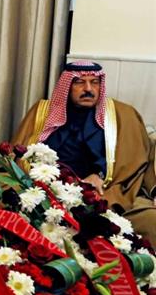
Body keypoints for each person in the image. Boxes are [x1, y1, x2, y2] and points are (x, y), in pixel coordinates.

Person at [12, 60, 156, 241]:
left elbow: (140, 158)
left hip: (106, 194)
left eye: (94, 82)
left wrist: (100, 175)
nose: (88, 89)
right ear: (66, 86)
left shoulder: (122, 115)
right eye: (80, 82)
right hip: (43, 192)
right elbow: (18, 154)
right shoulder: (42, 113)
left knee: (152, 221)